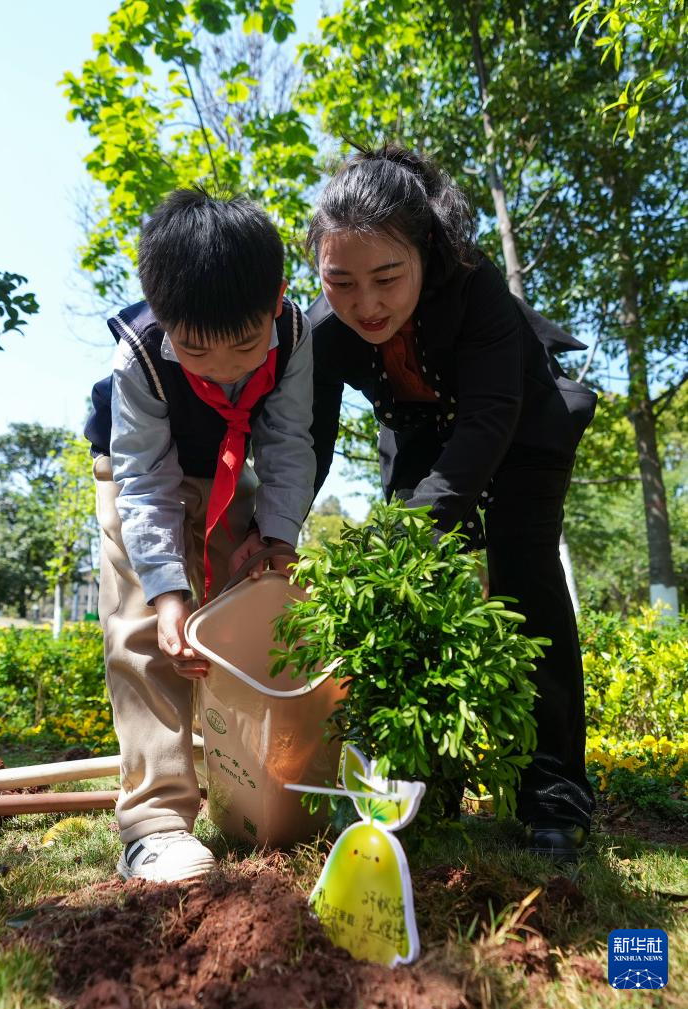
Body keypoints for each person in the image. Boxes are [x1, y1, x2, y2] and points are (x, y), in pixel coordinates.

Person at [307, 146, 597, 861]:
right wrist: (275, 532)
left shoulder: (479, 291)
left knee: (524, 579)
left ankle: (550, 794)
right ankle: (423, 782)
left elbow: (488, 422)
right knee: (413, 596)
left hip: (522, 424)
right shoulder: (319, 329)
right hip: (417, 433)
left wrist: (408, 532)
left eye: (386, 278)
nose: (364, 304)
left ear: (426, 250)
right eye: (340, 281)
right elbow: (304, 443)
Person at [84, 189, 315, 882]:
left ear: (275, 300)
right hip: (137, 479)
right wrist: (165, 592)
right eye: (195, 349)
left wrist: (276, 538)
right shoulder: (142, 357)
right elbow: (145, 481)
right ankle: (153, 824)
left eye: (242, 346)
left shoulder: (296, 335)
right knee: (144, 630)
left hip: (226, 472)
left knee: (241, 620)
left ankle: (248, 791)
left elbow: (287, 443)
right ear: (161, 312)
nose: (219, 367)